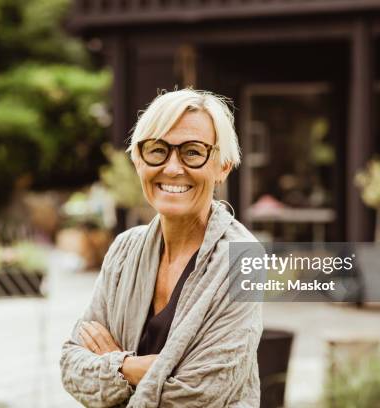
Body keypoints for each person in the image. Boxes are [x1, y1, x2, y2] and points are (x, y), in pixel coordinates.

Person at [60, 88, 263, 407]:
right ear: (138, 160)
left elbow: (203, 393)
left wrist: (113, 366)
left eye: (193, 152)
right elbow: (71, 365)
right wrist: (135, 367)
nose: (171, 167)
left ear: (222, 166)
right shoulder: (125, 249)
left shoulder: (244, 259)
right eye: (157, 150)